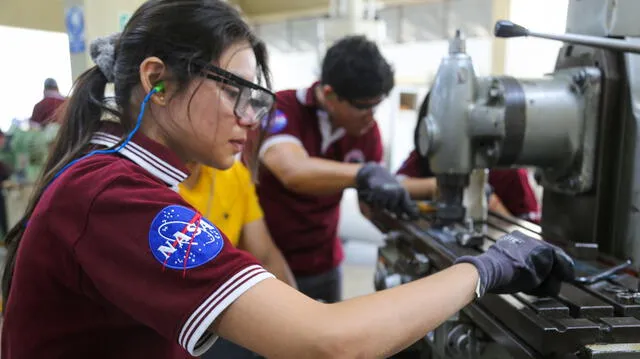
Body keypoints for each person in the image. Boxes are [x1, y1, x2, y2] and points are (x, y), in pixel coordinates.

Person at [0, 1, 573, 358]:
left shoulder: (120, 180)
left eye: (255, 101)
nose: (248, 121)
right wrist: (486, 268)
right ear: (158, 81)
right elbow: (329, 342)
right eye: (235, 93)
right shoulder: (112, 196)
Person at [253, 35, 420, 303]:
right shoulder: (282, 109)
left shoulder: (367, 132)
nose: (371, 116)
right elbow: (293, 171)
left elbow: (369, 205)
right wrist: (362, 175)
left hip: (326, 262)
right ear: (330, 95)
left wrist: (405, 218)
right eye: (363, 107)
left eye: (376, 106)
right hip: (268, 262)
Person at [179, 161, 296, 359]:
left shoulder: (232, 173)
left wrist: (298, 322)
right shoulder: (142, 185)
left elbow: (266, 255)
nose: (249, 127)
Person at [398, 92, 541, 222]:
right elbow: (396, 184)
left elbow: (533, 239)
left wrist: (493, 206)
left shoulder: (507, 172)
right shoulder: (428, 155)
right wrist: (436, 187)